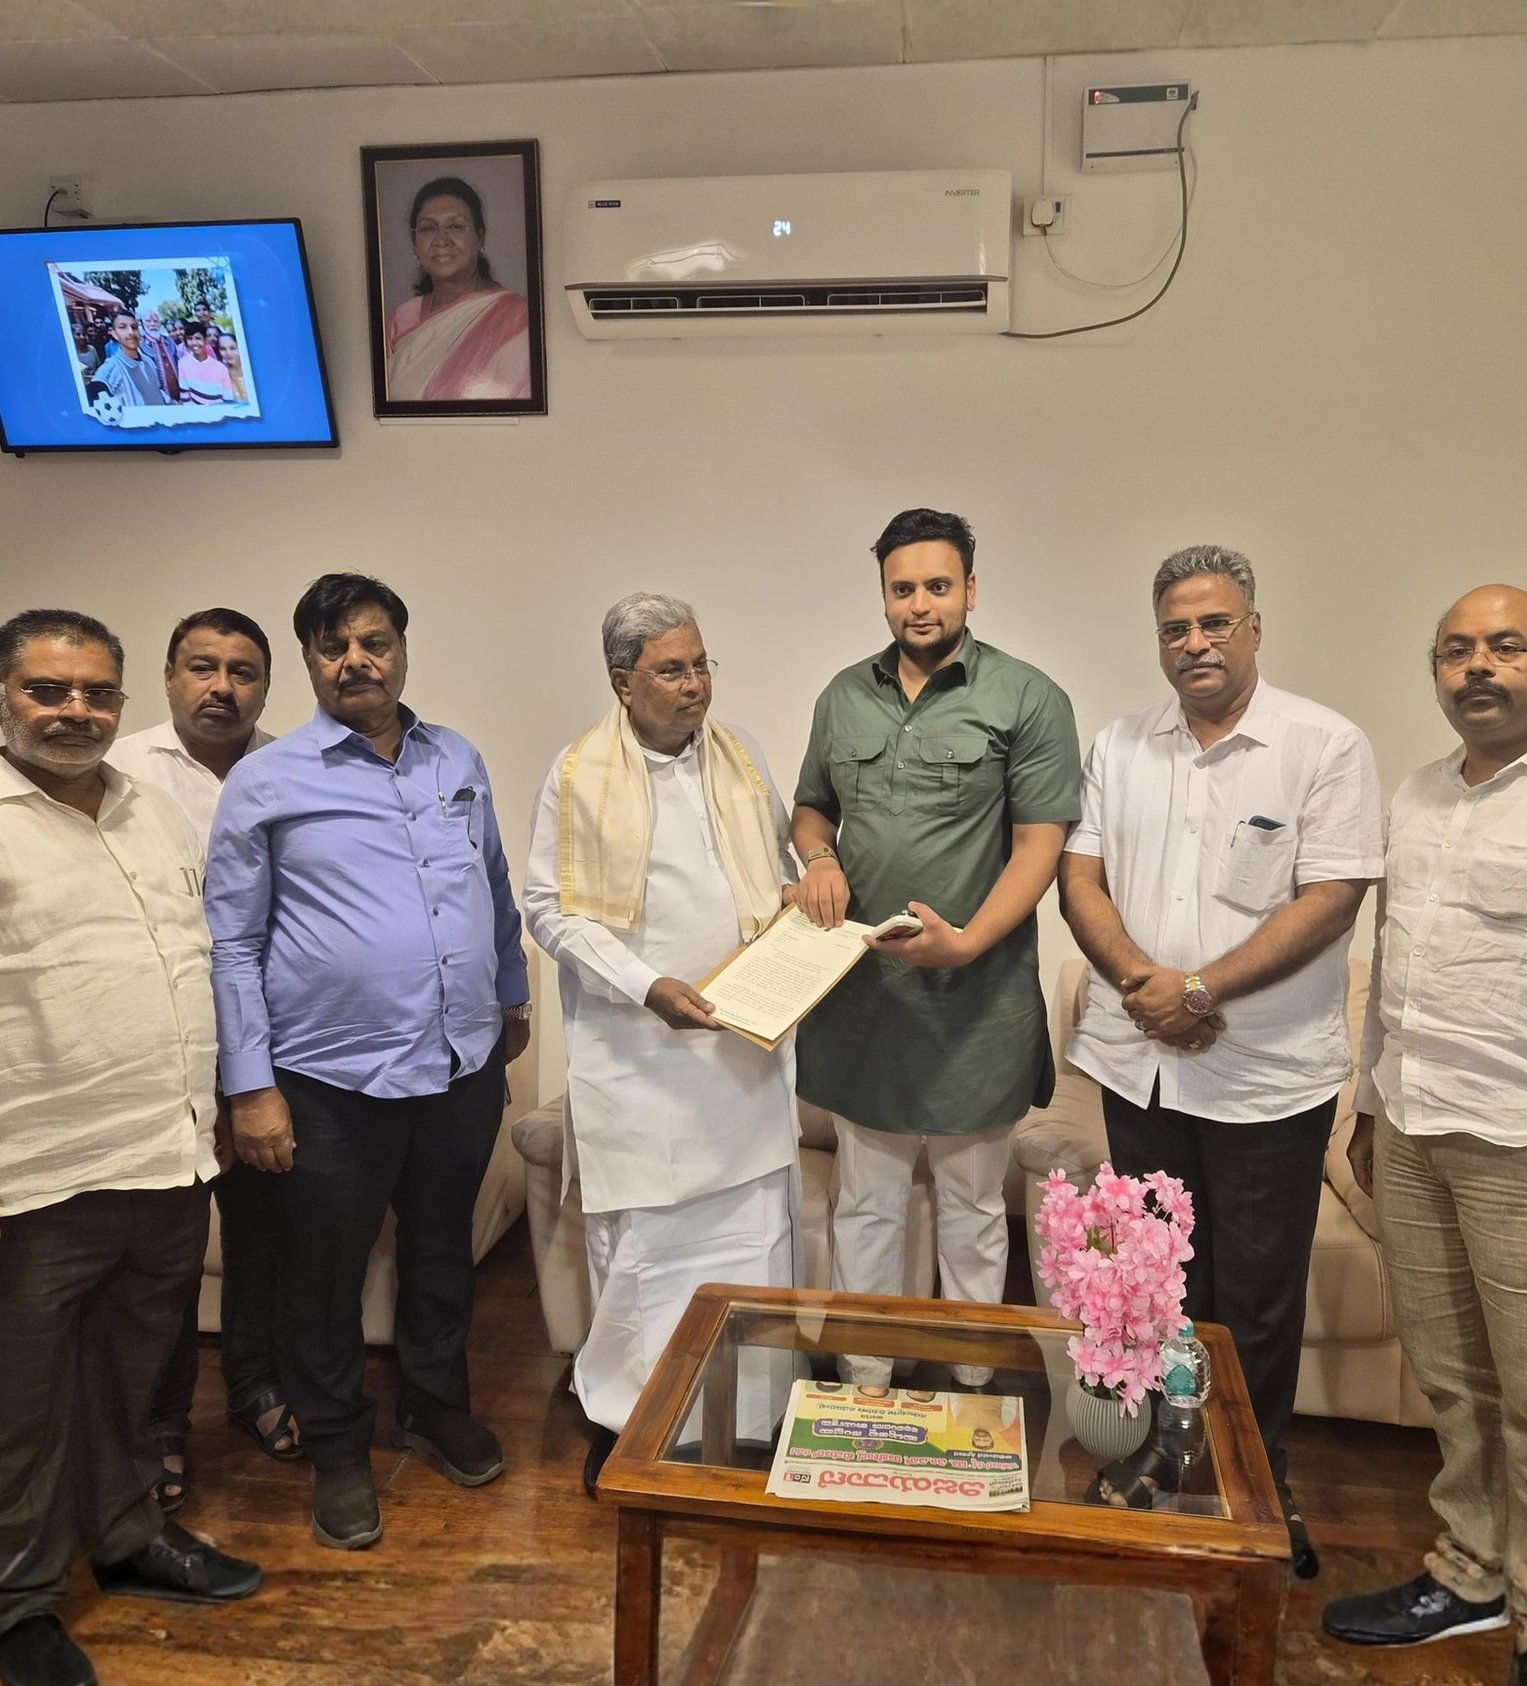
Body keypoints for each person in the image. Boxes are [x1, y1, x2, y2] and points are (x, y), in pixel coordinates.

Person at [1061, 544, 1383, 1578]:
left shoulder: (1321, 743)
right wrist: (1147, 985)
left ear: (1253, 628)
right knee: (1161, 1286)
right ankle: (1167, 1455)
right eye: (1175, 628)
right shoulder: (1121, 744)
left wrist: (1200, 990)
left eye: (1214, 623)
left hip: (1263, 1077)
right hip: (1140, 1069)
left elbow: (1332, 896)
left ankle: (1256, 1481)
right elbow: (1080, 878)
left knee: (1256, 1299)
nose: (1194, 643)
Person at [1323, 584, 1527, 1686]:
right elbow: (1394, 968)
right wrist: (1371, 1106)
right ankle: (1469, 1570)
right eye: (1455, 649)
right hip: (1415, 1128)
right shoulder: (1419, 793)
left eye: (1504, 646)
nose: (1477, 666)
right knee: (1450, 1376)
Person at [205, 572, 531, 1551]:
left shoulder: (456, 757)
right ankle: (340, 1446)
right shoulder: (267, 779)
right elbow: (232, 944)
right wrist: (250, 1085)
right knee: (322, 1272)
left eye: (374, 641)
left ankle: (434, 1406)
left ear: (401, 649)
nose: (357, 661)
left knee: (440, 1250)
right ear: (311, 662)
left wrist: (510, 998)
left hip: (460, 1065)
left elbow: (494, 887)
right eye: (334, 646)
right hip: (328, 1081)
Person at [0, 608, 262, 1686]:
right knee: (23, 1403)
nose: (76, 711)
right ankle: (19, 1600)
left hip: (162, 1151)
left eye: (95, 693)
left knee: (137, 1376)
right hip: (34, 1171)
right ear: (5, 696)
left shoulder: (146, 806)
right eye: (47, 690)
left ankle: (124, 1536)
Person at [792, 508, 1081, 1389]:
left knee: (973, 1208)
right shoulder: (843, 695)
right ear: (884, 594)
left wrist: (967, 945)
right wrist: (819, 859)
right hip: (865, 1001)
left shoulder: (1029, 697)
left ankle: (971, 1386)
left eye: (938, 586)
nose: (920, 604)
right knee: (865, 1205)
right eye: (903, 588)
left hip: (977, 1005)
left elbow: (1039, 846)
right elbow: (812, 809)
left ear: (971, 590)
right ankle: (865, 1382)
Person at [524, 594, 801, 1495]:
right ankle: (629, 1423)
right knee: (644, 1261)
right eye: (672, 671)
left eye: (702, 664)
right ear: (623, 682)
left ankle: (751, 1421)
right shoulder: (578, 773)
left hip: (742, 1059)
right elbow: (548, 910)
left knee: (754, 1245)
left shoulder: (740, 758)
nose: (696, 685)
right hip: (639, 1062)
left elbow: (780, 870)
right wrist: (647, 986)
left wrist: (806, 904)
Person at [108, 608, 292, 1511]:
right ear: (169, 676)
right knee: (166, 1259)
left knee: (264, 1240)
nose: (222, 687)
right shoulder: (118, 774)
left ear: (265, 685)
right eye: (202, 667)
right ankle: (160, 1426)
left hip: (268, 1051)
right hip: (161, 1052)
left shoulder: (293, 768)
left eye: (242, 671)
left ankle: (255, 1386)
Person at [384, 177, 531, 403]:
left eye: (456, 226)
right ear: (415, 244)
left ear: (480, 237)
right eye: (428, 228)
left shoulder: (519, 317)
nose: (441, 240)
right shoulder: (400, 320)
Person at [93, 307, 166, 408]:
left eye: (134, 327)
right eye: (123, 327)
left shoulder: (149, 361)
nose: (131, 332)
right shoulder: (110, 369)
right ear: (114, 334)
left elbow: (157, 392)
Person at [177, 321, 232, 404]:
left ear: (205, 340)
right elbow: (185, 396)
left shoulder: (221, 368)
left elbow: (228, 398)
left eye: (198, 338)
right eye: (190, 338)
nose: (194, 343)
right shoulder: (182, 363)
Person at [142, 310, 181, 401]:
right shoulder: (140, 346)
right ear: (143, 324)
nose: (152, 324)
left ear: (160, 324)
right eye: (148, 321)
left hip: (180, 395)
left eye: (155, 321)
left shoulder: (170, 341)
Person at [216, 332, 248, 402]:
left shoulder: (251, 368)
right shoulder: (219, 372)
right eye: (223, 349)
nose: (228, 353)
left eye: (233, 348)